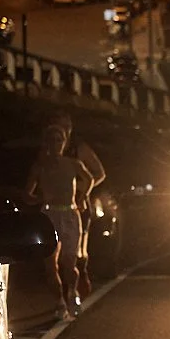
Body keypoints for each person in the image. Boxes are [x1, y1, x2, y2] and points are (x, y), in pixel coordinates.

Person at [24, 124, 92, 318]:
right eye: (52, 140)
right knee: (50, 264)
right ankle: (59, 302)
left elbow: (89, 179)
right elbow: (27, 193)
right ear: (46, 143)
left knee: (70, 263)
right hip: (49, 215)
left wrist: (82, 196)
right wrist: (38, 199)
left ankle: (72, 293)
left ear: (64, 143)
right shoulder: (40, 166)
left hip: (70, 214)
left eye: (59, 140)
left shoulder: (72, 164)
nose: (56, 144)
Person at [47, 111, 107, 300]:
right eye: (59, 124)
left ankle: (80, 282)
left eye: (67, 126)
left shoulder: (79, 149)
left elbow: (99, 173)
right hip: (54, 206)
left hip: (76, 204)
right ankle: (61, 293)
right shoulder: (49, 150)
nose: (64, 130)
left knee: (78, 250)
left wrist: (81, 189)